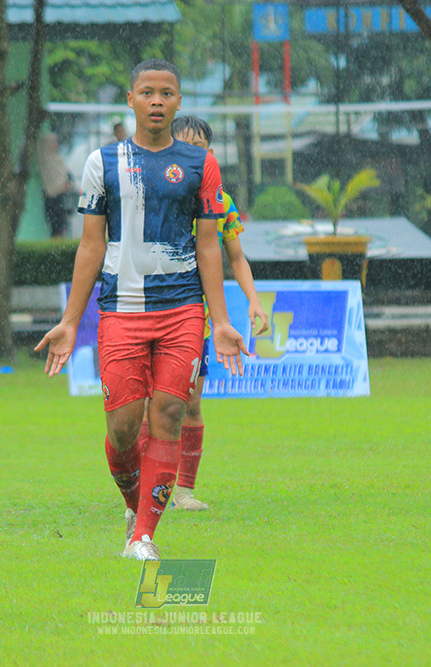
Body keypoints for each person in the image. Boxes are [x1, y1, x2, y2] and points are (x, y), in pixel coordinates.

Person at [35, 59, 248, 561]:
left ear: (178, 102)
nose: (157, 101)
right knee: (123, 428)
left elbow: (210, 247)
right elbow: (90, 246)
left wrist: (219, 320)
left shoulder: (200, 165)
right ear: (130, 99)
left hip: (181, 311)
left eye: (167, 93)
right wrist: (70, 320)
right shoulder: (101, 163)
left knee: (170, 413)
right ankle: (136, 504)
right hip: (123, 311)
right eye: (147, 92)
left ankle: (143, 537)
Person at [136, 115, 270, 511]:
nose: (193, 156)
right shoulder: (150, 195)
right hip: (149, 310)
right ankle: (144, 488)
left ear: (210, 155)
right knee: (148, 404)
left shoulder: (222, 202)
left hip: (197, 320)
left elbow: (237, 258)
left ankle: (183, 492)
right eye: (186, 148)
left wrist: (255, 301)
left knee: (189, 404)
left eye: (201, 149)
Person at [37, 132, 76, 238]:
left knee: (62, 227)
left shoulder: (56, 158)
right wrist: (63, 186)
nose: (56, 145)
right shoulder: (46, 161)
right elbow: (51, 186)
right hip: (55, 200)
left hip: (61, 198)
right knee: (57, 229)